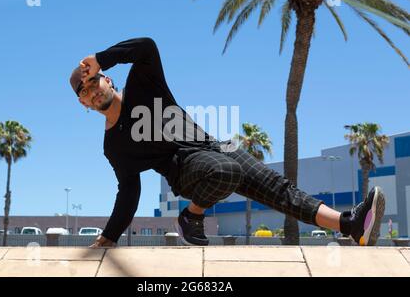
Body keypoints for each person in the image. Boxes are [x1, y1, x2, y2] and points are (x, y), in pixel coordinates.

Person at [68, 37, 385, 248]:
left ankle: (350, 225)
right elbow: (129, 191)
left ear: (106, 78)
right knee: (226, 171)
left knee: (277, 188)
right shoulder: (114, 146)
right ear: (84, 104)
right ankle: (191, 216)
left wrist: (100, 58)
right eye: (85, 91)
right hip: (186, 171)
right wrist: (109, 238)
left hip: (212, 146)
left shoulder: (142, 83)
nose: (93, 90)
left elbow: (146, 47)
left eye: (94, 80)